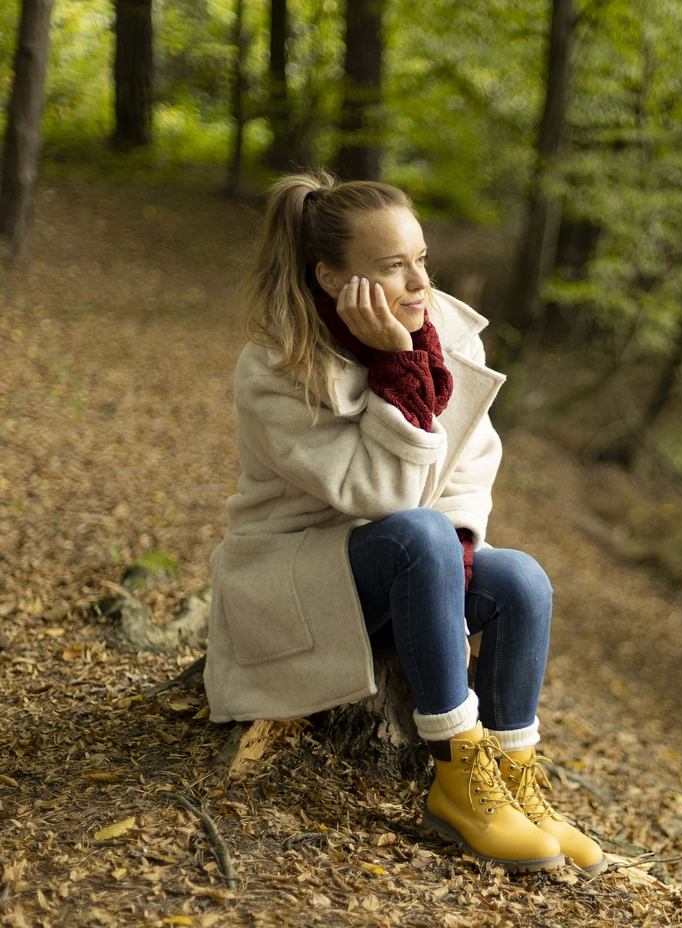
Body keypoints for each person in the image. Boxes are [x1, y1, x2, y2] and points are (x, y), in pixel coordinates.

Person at [203, 171, 606, 876]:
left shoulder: (443, 334)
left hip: (407, 568)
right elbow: (384, 497)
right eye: (393, 266)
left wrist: (451, 561)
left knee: (520, 579)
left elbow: (470, 470)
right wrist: (396, 365)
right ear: (331, 278)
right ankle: (457, 780)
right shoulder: (278, 366)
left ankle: (513, 779)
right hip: (300, 576)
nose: (419, 282)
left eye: (421, 259)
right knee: (421, 534)